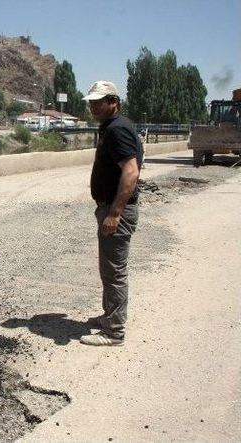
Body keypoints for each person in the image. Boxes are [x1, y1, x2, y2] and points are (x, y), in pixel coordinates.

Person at [81, 81, 143, 346]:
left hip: (116, 209)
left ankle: (114, 331)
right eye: (91, 102)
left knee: (115, 271)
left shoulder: (118, 130)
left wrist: (115, 213)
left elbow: (131, 171)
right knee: (108, 268)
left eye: (99, 101)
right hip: (108, 206)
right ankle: (110, 316)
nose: (94, 106)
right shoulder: (113, 128)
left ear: (114, 102)